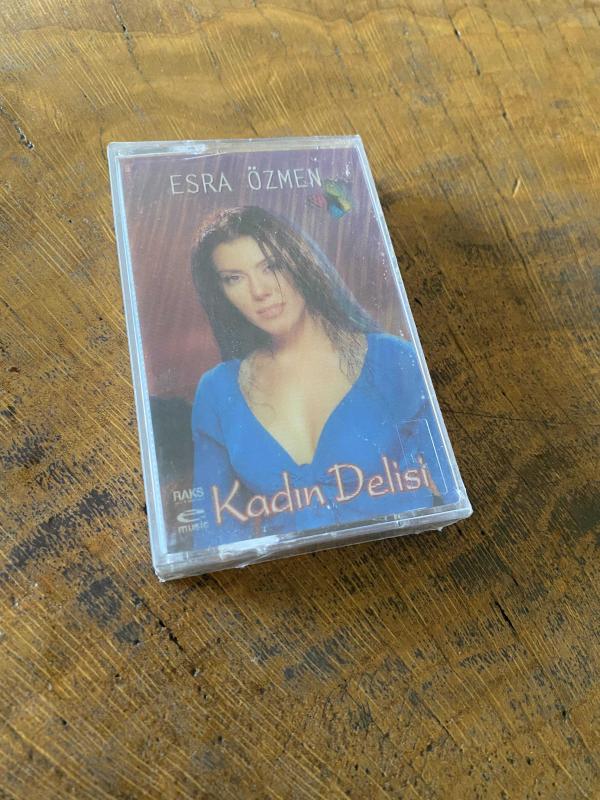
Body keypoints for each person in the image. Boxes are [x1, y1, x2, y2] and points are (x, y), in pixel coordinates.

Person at [189, 206, 458, 549]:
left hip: (404, 555)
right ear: (221, 292)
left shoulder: (393, 359)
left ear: (300, 263)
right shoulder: (218, 391)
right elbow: (213, 539)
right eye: (234, 278)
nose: (259, 291)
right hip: (296, 573)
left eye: (271, 266)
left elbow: (450, 494)